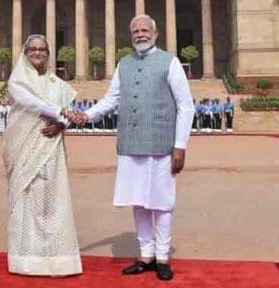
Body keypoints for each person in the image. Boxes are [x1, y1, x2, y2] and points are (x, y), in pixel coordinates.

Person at [70, 15, 194, 281]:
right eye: (135, 31)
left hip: (162, 142)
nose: (140, 34)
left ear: (155, 33)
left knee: (161, 203)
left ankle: (162, 257)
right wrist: (88, 115)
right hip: (131, 142)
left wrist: (180, 145)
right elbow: (111, 99)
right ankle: (145, 255)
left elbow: (186, 105)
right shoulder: (124, 64)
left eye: (144, 30)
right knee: (138, 201)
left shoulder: (170, 62)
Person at [3, 34, 81, 277]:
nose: (37, 53)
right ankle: (25, 258)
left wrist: (61, 124)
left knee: (52, 199)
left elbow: (61, 118)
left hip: (51, 147)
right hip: (24, 147)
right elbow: (31, 103)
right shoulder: (17, 80)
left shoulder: (56, 84)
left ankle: (57, 259)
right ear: (25, 54)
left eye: (42, 49)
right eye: (32, 49)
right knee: (26, 198)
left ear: (48, 53)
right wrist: (62, 112)